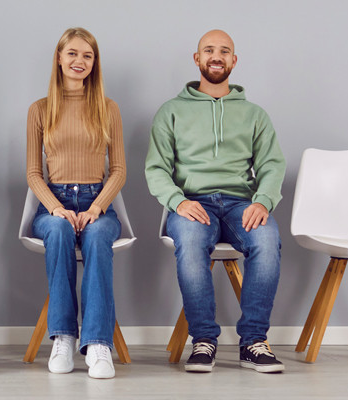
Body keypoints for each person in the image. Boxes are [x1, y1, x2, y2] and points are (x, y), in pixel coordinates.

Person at [145, 29, 287, 373]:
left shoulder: (254, 114)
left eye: (224, 51)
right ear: (197, 59)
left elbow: (272, 164)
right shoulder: (171, 111)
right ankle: (204, 340)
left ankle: (253, 342)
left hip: (241, 204)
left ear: (234, 61)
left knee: (268, 239)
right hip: (192, 202)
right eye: (209, 50)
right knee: (191, 243)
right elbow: (156, 167)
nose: (216, 56)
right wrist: (177, 201)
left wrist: (263, 201)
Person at [25, 28, 125, 379]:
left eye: (87, 55)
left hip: (98, 203)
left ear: (94, 63)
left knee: (97, 237)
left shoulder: (108, 108)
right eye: (72, 53)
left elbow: (119, 171)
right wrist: (56, 207)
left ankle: (97, 344)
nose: (79, 61)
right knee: (58, 231)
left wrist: (97, 207)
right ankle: (64, 337)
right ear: (59, 58)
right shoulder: (39, 110)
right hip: (54, 204)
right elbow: (34, 173)